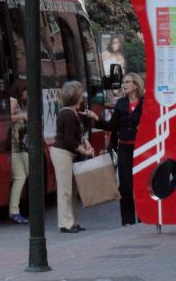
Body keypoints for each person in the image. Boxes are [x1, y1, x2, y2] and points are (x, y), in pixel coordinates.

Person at [87, 72, 144, 226]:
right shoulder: (121, 104)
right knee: (125, 185)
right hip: (124, 147)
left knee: (142, 184)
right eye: (123, 82)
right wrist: (96, 119)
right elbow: (112, 126)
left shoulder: (146, 103)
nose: (123, 85)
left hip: (142, 148)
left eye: (127, 82)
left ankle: (144, 217)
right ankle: (127, 221)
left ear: (136, 85)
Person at [50, 81, 95, 233]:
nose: (82, 96)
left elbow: (76, 135)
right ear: (75, 95)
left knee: (73, 190)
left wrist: (85, 142)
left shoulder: (71, 112)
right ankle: (65, 223)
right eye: (80, 93)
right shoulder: (68, 114)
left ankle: (73, 221)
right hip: (63, 152)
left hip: (67, 152)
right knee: (65, 189)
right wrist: (85, 151)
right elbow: (69, 140)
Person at [8, 79, 29, 224]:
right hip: (15, 146)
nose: (28, 94)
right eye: (27, 91)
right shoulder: (14, 101)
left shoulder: (19, 102)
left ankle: (16, 209)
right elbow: (6, 118)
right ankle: (14, 211)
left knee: (23, 176)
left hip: (20, 145)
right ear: (21, 90)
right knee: (21, 177)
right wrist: (22, 116)